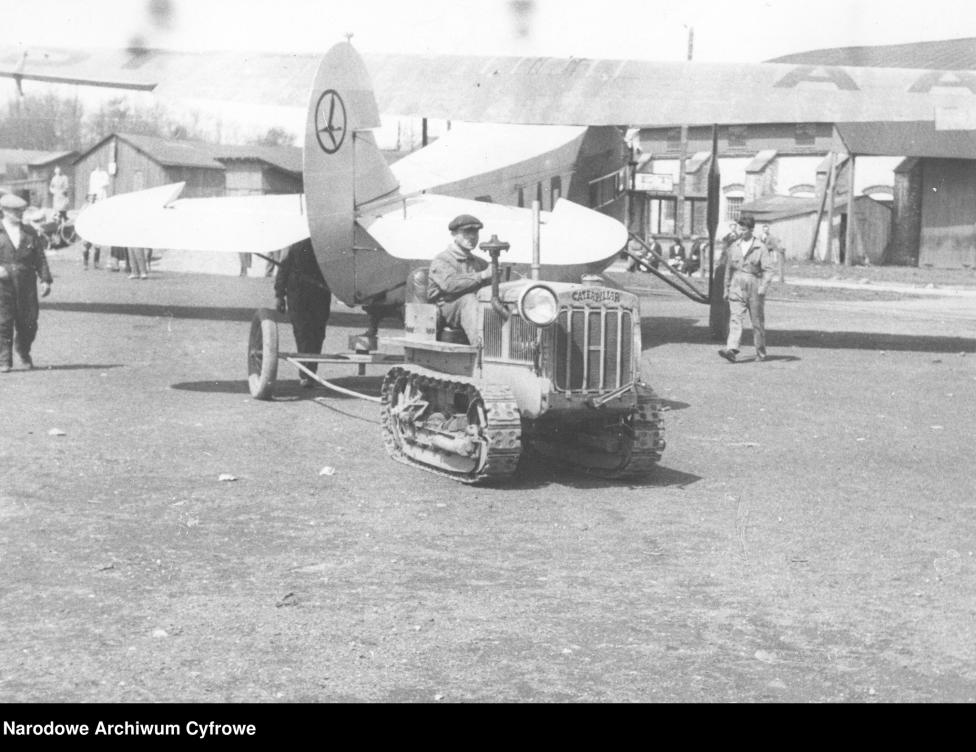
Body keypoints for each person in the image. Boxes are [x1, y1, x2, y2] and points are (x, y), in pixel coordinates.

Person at [0, 193, 53, 372]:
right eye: (15, 211)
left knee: (29, 321)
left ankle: (23, 351)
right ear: (4, 211)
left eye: (21, 211)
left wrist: (45, 279)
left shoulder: (30, 232)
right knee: (3, 322)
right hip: (2, 285)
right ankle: (4, 360)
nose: (19, 214)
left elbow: (40, 257)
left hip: (26, 283)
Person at [427, 214, 492, 346]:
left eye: (475, 233)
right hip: (447, 308)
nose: (472, 237)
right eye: (466, 233)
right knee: (468, 299)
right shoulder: (442, 259)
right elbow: (450, 285)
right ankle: (483, 351)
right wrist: (482, 276)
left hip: (473, 307)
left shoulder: (480, 263)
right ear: (454, 234)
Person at [274, 238, 331, 388]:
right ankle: (305, 373)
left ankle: (310, 371)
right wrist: (279, 295)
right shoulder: (294, 241)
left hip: (320, 294)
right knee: (302, 333)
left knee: (318, 334)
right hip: (298, 295)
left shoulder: (326, 243)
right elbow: (283, 267)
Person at [718, 214, 775, 364]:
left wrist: (763, 287)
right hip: (736, 285)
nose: (740, 231)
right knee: (735, 319)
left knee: (757, 322)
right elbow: (728, 270)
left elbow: (769, 270)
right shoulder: (734, 246)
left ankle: (760, 352)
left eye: (743, 229)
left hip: (754, 285)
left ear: (751, 229)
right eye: (739, 228)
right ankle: (731, 349)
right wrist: (726, 288)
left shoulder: (760, 247)